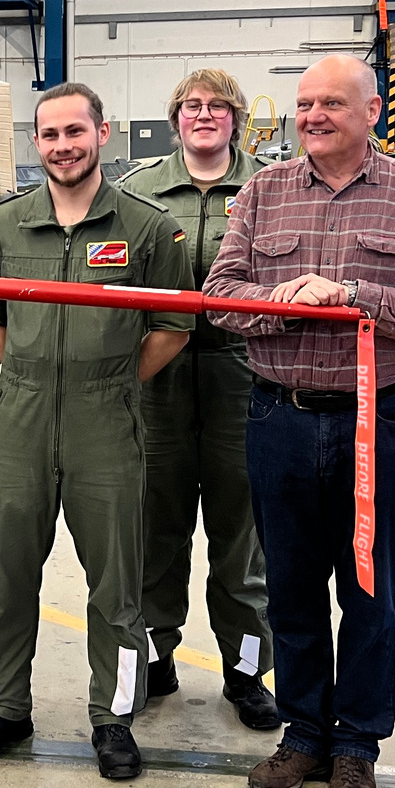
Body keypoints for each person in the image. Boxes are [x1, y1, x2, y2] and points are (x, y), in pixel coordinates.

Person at [205, 54, 395, 788]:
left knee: (367, 588)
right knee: (290, 588)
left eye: (331, 104)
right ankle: (303, 734)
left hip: (371, 418)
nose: (313, 116)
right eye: (305, 104)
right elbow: (220, 297)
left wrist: (353, 295)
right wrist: (286, 305)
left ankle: (356, 745)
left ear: (372, 112)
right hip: (279, 415)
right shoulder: (264, 191)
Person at [0, 82, 195, 781]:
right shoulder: (2, 227)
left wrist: (112, 380)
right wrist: (32, 370)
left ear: (102, 133)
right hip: (20, 423)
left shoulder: (148, 229)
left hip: (106, 424)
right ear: (36, 142)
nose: (63, 146)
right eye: (50, 134)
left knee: (115, 585)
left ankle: (112, 717)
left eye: (74, 131)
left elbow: (174, 326)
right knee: (6, 578)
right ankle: (4, 707)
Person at [118, 68, 278, 730]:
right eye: (191, 105)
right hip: (159, 375)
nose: (204, 115)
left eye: (217, 106)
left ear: (236, 118)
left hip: (245, 374)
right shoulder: (137, 189)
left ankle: (246, 669)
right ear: (175, 118)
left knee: (242, 533)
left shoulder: (273, 186)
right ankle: (156, 657)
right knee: (156, 524)